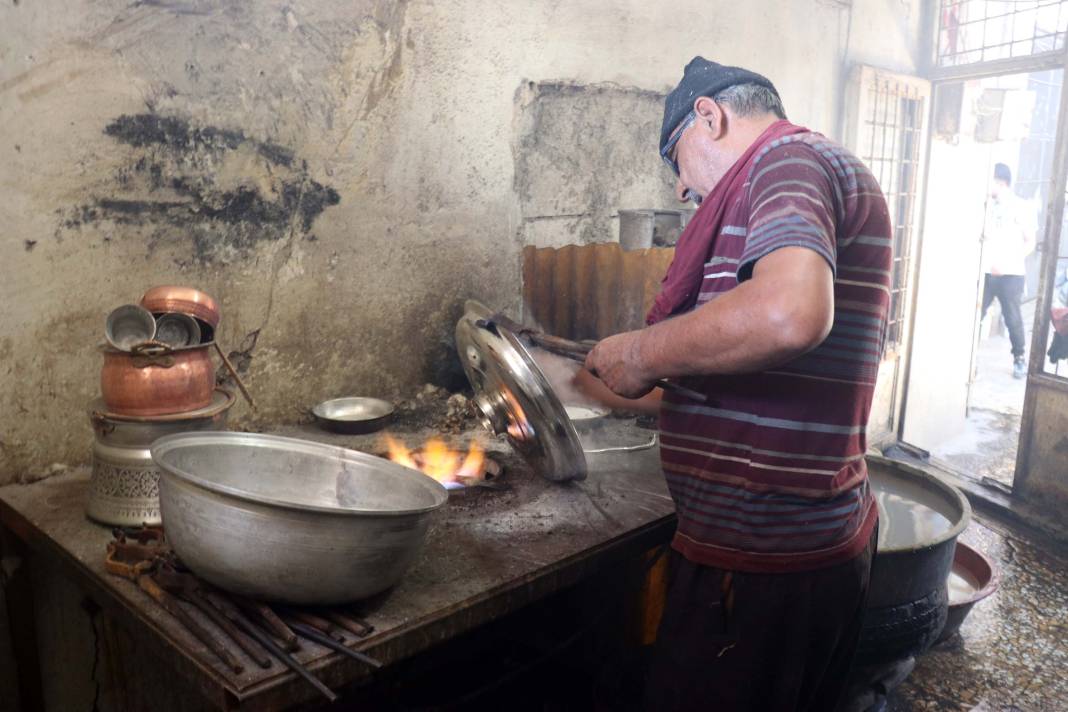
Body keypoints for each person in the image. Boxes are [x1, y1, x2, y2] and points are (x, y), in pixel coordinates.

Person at [583, 57, 891, 711]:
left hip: (766, 573)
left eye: (676, 161)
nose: (680, 189)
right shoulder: (785, 184)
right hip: (785, 563)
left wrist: (641, 353)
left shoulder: (787, 162)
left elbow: (790, 315)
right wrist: (583, 385)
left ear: (709, 116)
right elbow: (748, 376)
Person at [980, 162, 1035, 379]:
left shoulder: (1021, 207)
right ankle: (965, 360)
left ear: (1001, 182)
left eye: (990, 180)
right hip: (985, 271)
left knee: (1012, 318)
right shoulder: (986, 205)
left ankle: (1019, 359)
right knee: (975, 315)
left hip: (1011, 274)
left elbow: (1030, 241)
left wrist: (1007, 262)